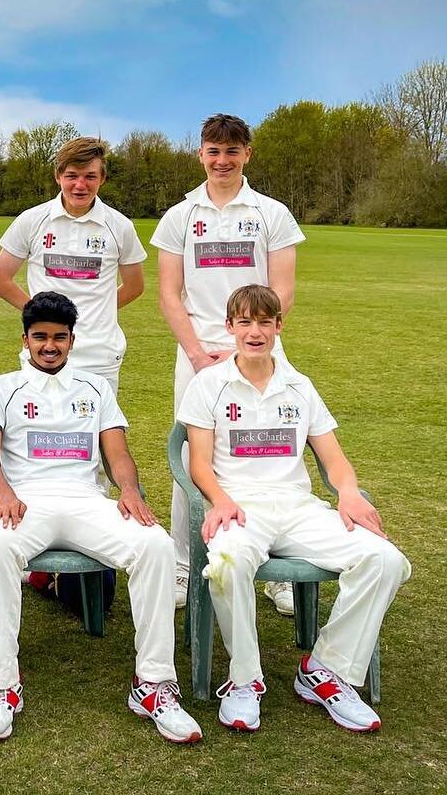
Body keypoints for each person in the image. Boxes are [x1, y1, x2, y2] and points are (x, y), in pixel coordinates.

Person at [0, 291, 201, 745]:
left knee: (155, 545)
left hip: (85, 499)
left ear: (72, 340)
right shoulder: (2, 387)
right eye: (40, 337)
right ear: (26, 339)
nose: (49, 346)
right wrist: (4, 493)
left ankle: (153, 684)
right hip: (27, 501)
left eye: (59, 337)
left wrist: (130, 490)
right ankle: (1, 686)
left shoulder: (95, 387)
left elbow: (117, 454)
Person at [179, 285, 410, 733]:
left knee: (384, 559)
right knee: (227, 562)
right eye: (244, 322)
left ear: (279, 326)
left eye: (265, 322)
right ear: (230, 327)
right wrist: (220, 500)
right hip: (240, 508)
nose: (254, 331)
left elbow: (334, 458)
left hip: (299, 506)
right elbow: (199, 463)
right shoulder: (208, 384)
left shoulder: (299, 386)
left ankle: (325, 671)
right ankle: (245, 680)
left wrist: (347, 492)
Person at [150, 113, 305, 614]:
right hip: (195, 352)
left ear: (247, 155)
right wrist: (198, 352)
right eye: (213, 152)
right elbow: (170, 294)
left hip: (258, 345)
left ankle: (277, 567)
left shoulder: (271, 213)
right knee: (191, 456)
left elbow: (282, 289)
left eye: (231, 152)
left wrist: (247, 342)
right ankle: (181, 561)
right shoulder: (179, 216)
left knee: (272, 454)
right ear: (201, 154)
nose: (222, 161)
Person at [0, 137, 145, 392]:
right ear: (58, 175)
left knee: (97, 432)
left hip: (100, 354)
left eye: (90, 177)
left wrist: (98, 310)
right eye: (72, 175)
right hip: (43, 351)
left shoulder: (120, 226)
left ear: (102, 178)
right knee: (39, 429)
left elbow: (135, 286)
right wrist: (41, 314)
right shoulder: (32, 220)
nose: (80, 185)